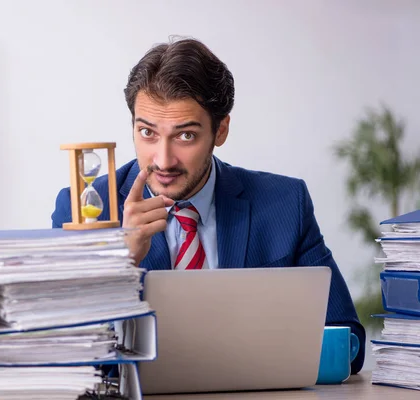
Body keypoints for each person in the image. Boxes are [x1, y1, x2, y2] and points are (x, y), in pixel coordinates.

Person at [51, 37, 365, 374]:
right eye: (147, 133)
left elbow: (348, 342)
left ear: (221, 130)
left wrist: (251, 358)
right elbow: (64, 358)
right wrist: (119, 266)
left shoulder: (285, 203)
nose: (163, 160)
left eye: (185, 135)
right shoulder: (81, 210)